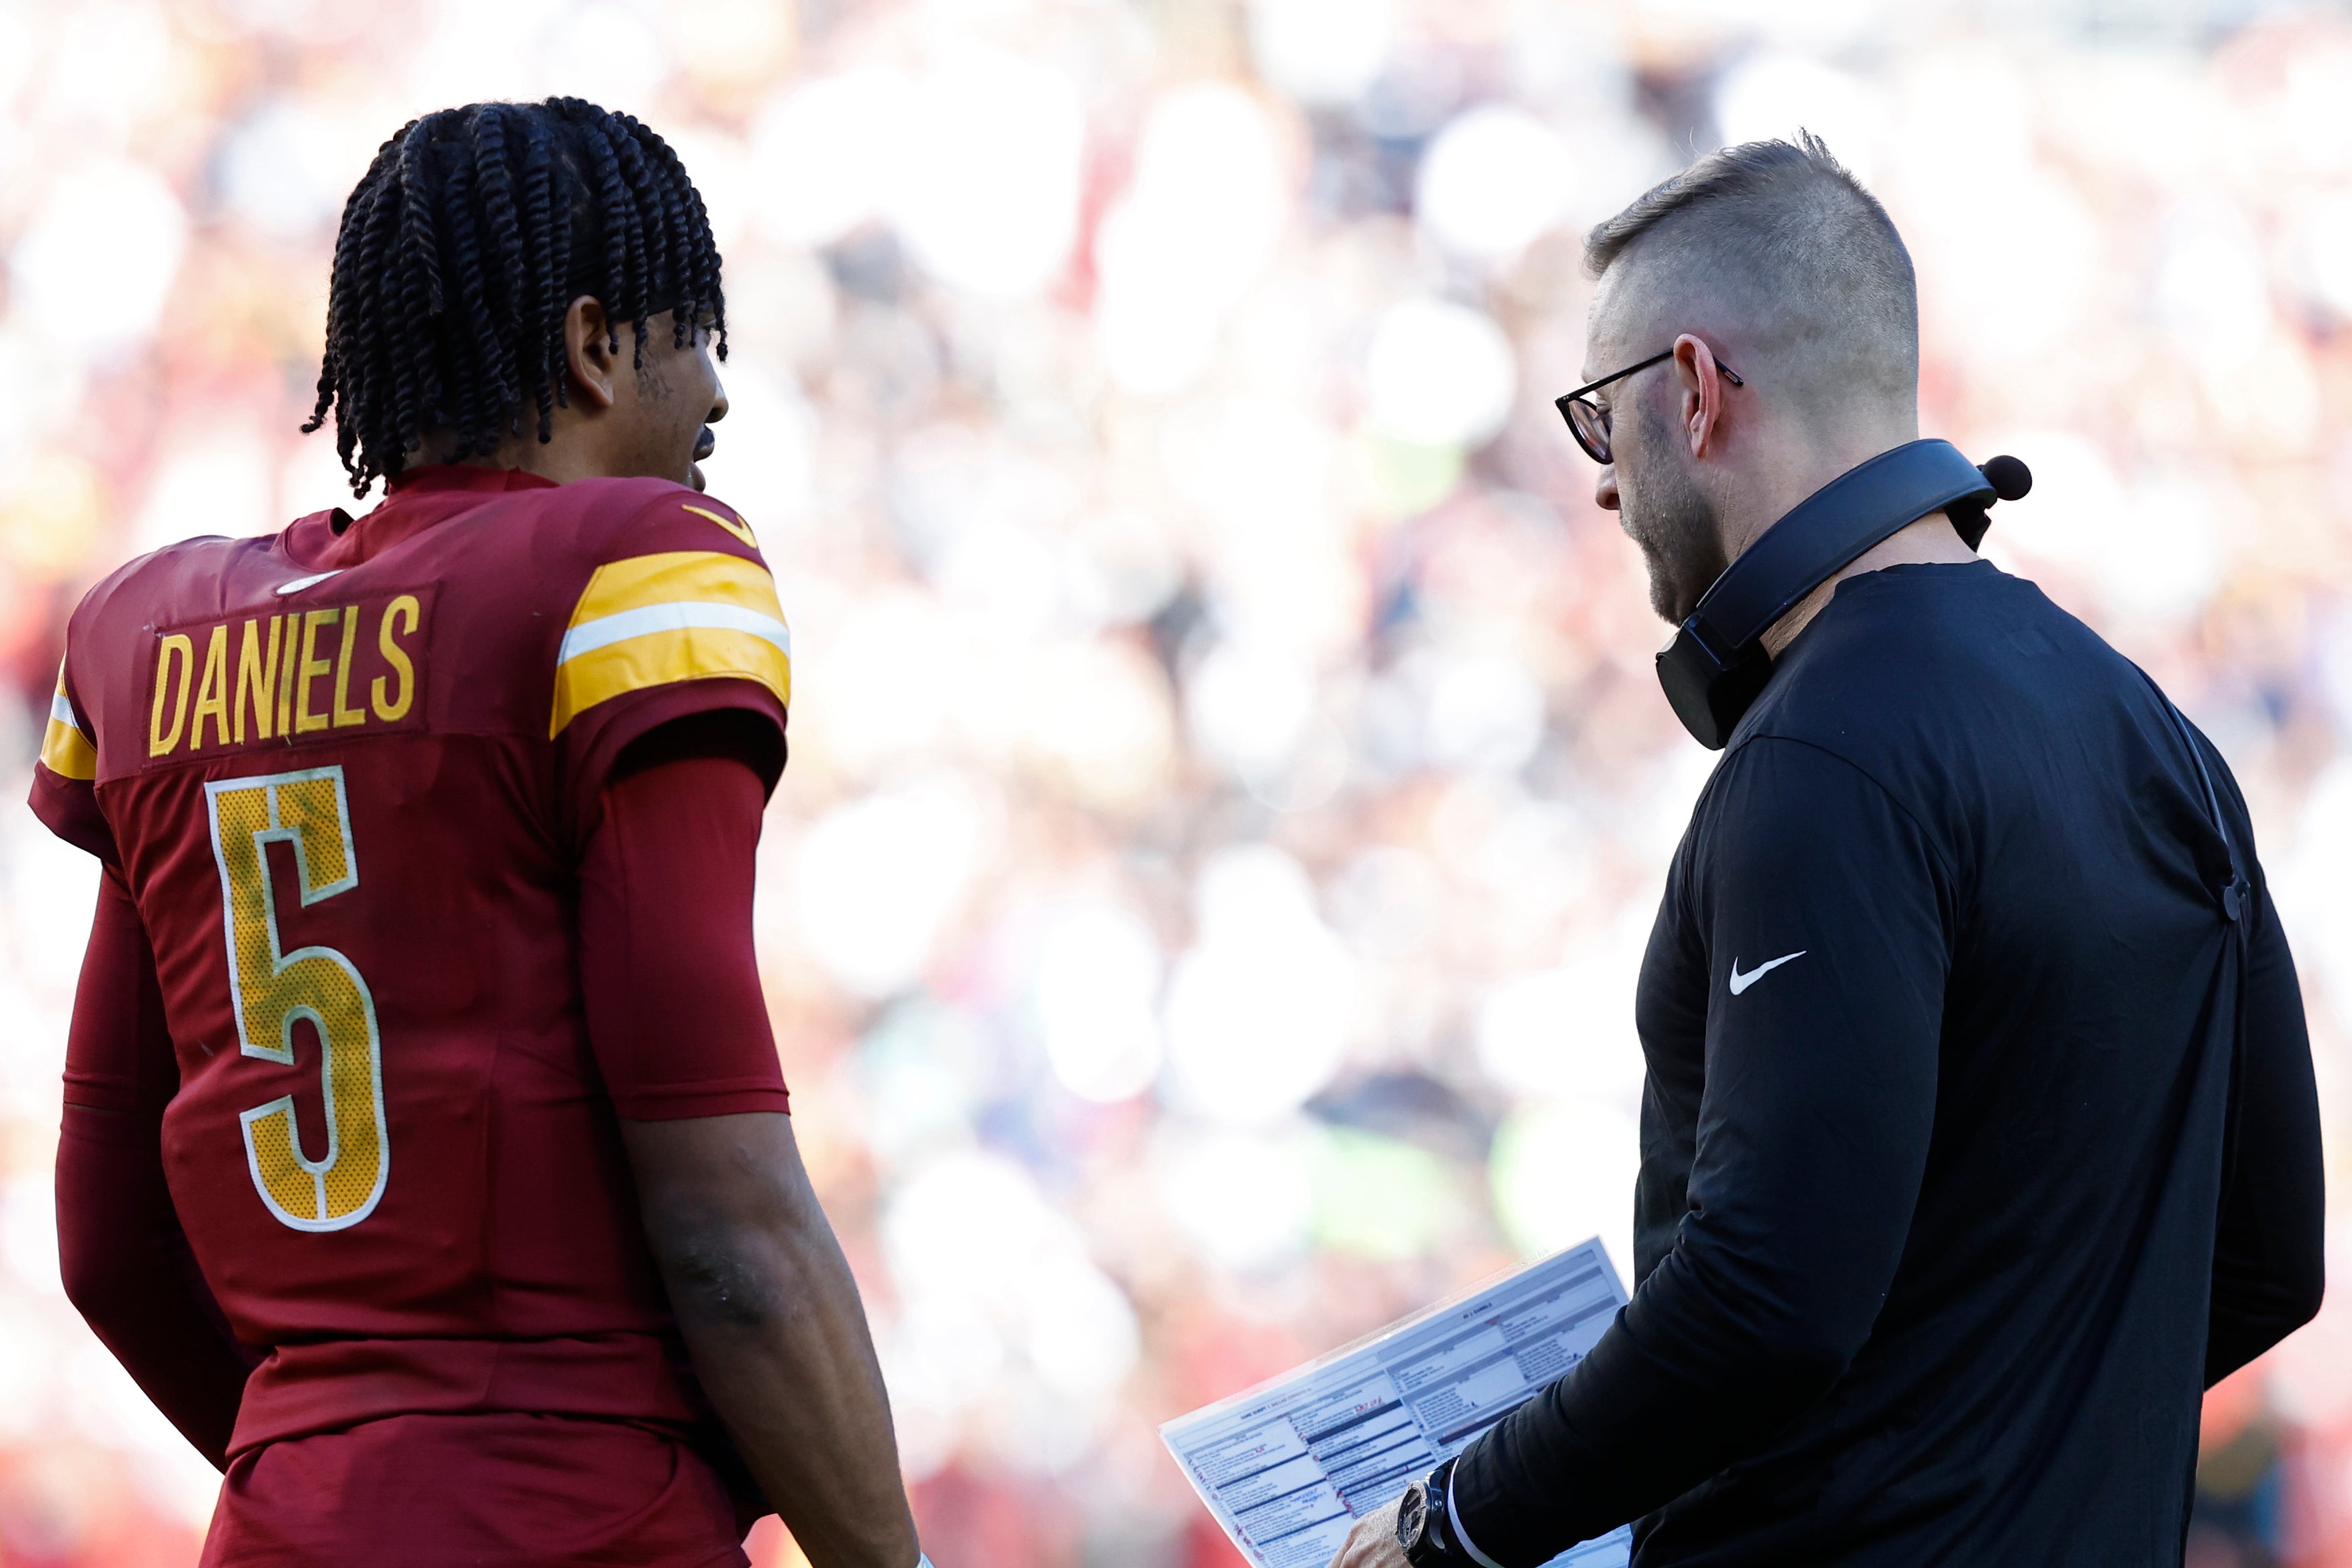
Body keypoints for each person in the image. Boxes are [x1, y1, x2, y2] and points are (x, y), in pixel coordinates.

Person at [1336, 135, 2325, 1568]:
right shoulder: (2153, 731)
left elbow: (1766, 1296)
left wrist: (1456, 1521)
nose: (1603, 487)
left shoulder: (1821, 751)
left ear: (1693, 387)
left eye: (1601, 420)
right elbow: (2269, 1260)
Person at [30, 99, 925, 1568]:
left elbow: (110, 1248)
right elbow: (729, 1229)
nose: (711, 415)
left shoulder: (143, 628)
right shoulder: (633, 566)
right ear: (595, 345)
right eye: (693, 347)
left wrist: (344, 1471)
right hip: (585, 1514)